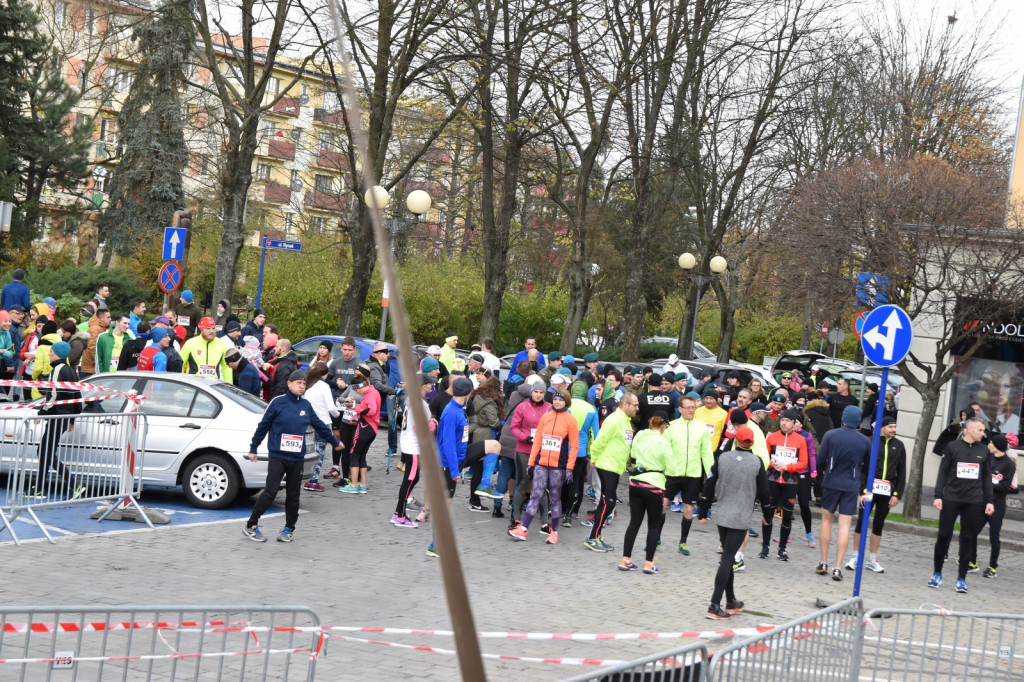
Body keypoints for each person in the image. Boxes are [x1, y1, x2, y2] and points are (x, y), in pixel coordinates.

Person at [244, 370, 342, 543]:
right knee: (270, 492)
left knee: (293, 495)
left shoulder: (306, 405)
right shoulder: (277, 402)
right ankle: (251, 525)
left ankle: (289, 528)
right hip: (277, 456)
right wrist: (253, 447)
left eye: (304, 384)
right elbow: (263, 426)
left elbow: (319, 425)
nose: (301, 386)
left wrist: (334, 442)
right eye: (298, 383)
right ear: (289, 384)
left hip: (297, 459)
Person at [699, 426, 770, 620]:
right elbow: (764, 492)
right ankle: (714, 604)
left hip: (722, 514)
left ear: (735, 441)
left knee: (728, 557)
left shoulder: (722, 458)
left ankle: (731, 600)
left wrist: (703, 509)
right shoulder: (757, 463)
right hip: (740, 516)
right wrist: (768, 514)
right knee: (728, 558)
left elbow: (710, 483)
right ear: (752, 443)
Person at [929, 417, 995, 593]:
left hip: (973, 501)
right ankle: (937, 574)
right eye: (980, 430)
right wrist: (938, 495)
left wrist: (989, 500)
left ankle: (961, 579)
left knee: (968, 538)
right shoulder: (953, 447)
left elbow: (987, 476)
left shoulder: (984, 450)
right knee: (944, 535)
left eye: (983, 430)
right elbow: (943, 472)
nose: (983, 433)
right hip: (951, 497)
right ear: (968, 430)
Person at [508, 388, 579, 544]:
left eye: (560, 399)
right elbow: (538, 441)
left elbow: (574, 446)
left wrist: (569, 467)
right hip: (542, 463)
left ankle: (554, 532)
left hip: (558, 466)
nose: (557, 402)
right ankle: (524, 529)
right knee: (535, 495)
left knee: (554, 497)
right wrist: (531, 462)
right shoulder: (546, 417)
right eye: (555, 399)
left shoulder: (570, 420)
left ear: (566, 401)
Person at [816, 405, 870, 582]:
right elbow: (867, 467)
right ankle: (837, 567)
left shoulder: (831, 435)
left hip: (831, 481)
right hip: (851, 484)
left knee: (826, 520)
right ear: (859, 421)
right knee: (845, 526)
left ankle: (823, 562)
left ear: (843, 418)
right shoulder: (865, 441)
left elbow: (820, 459)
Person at [846, 416, 906, 574]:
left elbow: (902, 471)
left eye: (895, 427)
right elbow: (861, 467)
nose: (894, 430)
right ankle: (855, 556)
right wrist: (863, 490)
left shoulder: (899, 446)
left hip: (887, 490)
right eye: (890, 427)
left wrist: (897, 494)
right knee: (861, 522)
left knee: (878, 524)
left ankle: (872, 559)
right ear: (881, 427)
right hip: (869, 490)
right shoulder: (870, 442)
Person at [584, 392, 639, 552]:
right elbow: (599, 441)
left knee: (607, 502)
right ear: (625, 404)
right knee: (609, 502)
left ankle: (597, 536)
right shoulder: (615, 420)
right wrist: (593, 459)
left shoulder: (626, 421)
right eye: (634, 405)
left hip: (615, 467)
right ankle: (593, 538)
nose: (637, 408)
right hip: (607, 466)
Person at [618, 412, 671, 574]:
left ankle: (626, 559)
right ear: (663, 426)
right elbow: (672, 468)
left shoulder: (640, 435)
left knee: (634, 522)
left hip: (636, 483)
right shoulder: (664, 442)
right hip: (654, 486)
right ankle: (648, 563)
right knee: (653, 526)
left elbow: (633, 456)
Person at [29, 341, 84, 498]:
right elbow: (77, 396)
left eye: (51, 352)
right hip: (63, 417)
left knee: (45, 452)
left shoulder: (58, 369)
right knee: (46, 452)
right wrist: (72, 419)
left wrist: (42, 412)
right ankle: (39, 488)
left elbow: (53, 396)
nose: (49, 354)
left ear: (58, 354)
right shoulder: (71, 371)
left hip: (56, 416)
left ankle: (74, 484)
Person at [427, 376, 474, 558]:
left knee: (493, 446)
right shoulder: (452, 412)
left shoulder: (458, 409)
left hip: (456, 460)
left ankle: (485, 480)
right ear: (468, 393)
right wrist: (455, 471)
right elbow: (447, 444)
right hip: (446, 466)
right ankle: (435, 545)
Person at [661, 395, 713, 555]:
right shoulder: (671, 426)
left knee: (689, 508)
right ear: (680, 409)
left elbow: (706, 451)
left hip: (692, 474)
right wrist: (660, 470)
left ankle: (683, 542)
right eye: (688, 407)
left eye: (693, 407)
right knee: (661, 505)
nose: (691, 410)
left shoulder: (701, 427)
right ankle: (655, 537)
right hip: (672, 473)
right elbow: (662, 449)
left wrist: (711, 474)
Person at [759, 410, 808, 561]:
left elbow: (804, 462)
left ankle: (782, 549)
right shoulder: (772, 437)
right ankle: (765, 547)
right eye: (782, 420)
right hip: (773, 480)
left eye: (787, 420)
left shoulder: (800, 440)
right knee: (768, 514)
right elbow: (764, 458)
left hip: (790, 481)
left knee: (786, 516)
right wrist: (774, 465)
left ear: (794, 423)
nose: (784, 423)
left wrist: (788, 468)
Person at [969, 433, 1017, 578]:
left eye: (991, 443)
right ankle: (972, 562)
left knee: (993, 537)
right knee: (971, 533)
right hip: (982, 503)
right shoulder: (987, 458)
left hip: (997, 505)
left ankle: (992, 567)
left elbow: (1005, 487)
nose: (988, 444)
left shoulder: (1009, 464)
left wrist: (988, 484)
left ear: (997, 446)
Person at [392, 374, 434, 528]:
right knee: (409, 481)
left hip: (408, 444)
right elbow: (419, 428)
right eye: (430, 384)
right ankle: (400, 515)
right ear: (423, 385)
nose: (432, 386)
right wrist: (431, 425)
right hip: (413, 447)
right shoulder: (420, 403)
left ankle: (399, 513)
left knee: (411, 479)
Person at [509, 381, 552, 528]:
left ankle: (545, 521)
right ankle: (515, 518)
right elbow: (514, 427)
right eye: (536, 392)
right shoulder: (522, 407)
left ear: (544, 394)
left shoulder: (550, 408)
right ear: (531, 392)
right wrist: (525, 438)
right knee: (522, 483)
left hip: (542, 452)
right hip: (524, 450)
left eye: (541, 392)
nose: (538, 395)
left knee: (541, 485)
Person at [337, 370, 381, 494]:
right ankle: (362, 485)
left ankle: (354, 485)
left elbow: (371, 410)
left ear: (361, 386)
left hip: (365, 427)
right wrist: (357, 412)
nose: (356, 392)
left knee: (353, 454)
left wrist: (357, 410)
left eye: (357, 390)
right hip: (372, 428)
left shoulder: (369, 395)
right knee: (362, 456)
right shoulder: (374, 391)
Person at [562, 380, 599, 526]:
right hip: (580, 452)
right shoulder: (591, 409)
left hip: (563, 450)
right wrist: (593, 454)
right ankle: (572, 513)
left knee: (561, 481)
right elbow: (596, 434)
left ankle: (560, 508)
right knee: (576, 482)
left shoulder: (565, 405)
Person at [301, 363, 340, 492]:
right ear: (325, 374)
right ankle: (313, 480)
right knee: (319, 452)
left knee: (308, 451)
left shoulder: (307, 384)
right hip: (322, 422)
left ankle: (305, 478)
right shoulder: (324, 386)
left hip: (307, 422)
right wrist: (337, 413)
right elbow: (331, 407)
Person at [180, 317, 233, 381]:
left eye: (213, 328)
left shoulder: (221, 344)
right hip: (193, 385)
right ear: (201, 329)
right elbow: (181, 364)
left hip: (212, 385)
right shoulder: (190, 343)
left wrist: (228, 385)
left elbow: (226, 367)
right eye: (208, 328)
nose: (211, 331)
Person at [80, 307, 111, 379]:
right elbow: (92, 347)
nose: (110, 319)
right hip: (91, 368)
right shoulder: (95, 329)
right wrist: (100, 362)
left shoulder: (104, 327)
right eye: (108, 317)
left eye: (110, 317)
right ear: (101, 318)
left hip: (94, 367)